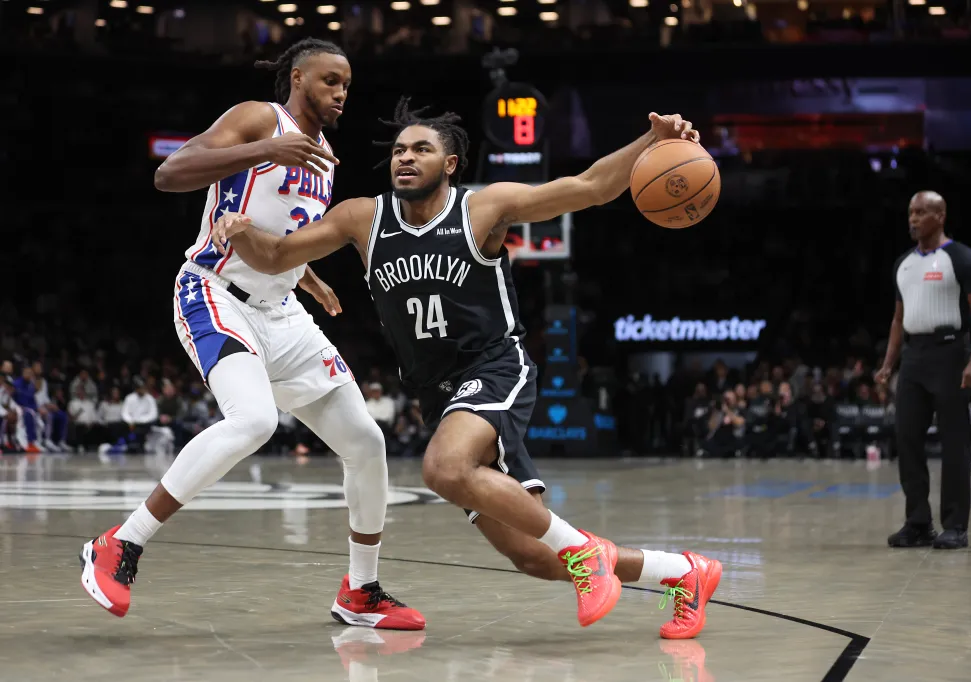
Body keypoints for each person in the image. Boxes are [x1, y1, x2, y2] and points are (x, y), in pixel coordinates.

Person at [211, 98, 723, 638]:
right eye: (400, 150)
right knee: (532, 555)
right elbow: (273, 257)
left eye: (422, 149)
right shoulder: (362, 218)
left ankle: (586, 553)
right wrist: (238, 226)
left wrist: (652, 142)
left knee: (444, 470)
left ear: (450, 163)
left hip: (496, 366)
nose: (406, 158)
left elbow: (592, 186)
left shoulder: (483, 208)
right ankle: (684, 572)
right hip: (440, 395)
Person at [78, 38, 424, 630]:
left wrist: (307, 275)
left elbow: (281, 228)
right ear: (297, 78)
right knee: (255, 421)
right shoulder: (261, 119)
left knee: (367, 443)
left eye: (347, 85)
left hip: (282, 309)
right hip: (214, 292)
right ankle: (119, 543)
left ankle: (360, 591)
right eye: (330, 81)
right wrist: (267, 146)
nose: (341, 93)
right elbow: (170, 174)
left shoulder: (323, 153)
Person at [875, 191, 971, 550]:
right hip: (914, 355)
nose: (913, 218)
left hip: (950, 353)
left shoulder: (960, 256)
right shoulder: (904, 263)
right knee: (907, 438)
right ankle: (918, 522)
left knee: (954, 442)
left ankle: (955, 525)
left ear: (940, 216)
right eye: (910, 212)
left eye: (921, 212)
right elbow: (898, 319)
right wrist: (888, 364)